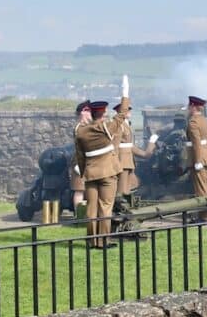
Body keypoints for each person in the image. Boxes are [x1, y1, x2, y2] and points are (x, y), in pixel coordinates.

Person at [73, 76, 131, 249]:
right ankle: (103, 241)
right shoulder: (106, 128)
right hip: (107, 173)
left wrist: (83, 171)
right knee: (105, 207)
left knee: (91, 209)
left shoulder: (81, 132)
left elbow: (80, 154)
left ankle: (92, 241)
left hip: (90, 173)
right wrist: (125, 93)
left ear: (91, 113)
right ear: (103, 112)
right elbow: (122, 114)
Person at [113, 102, 158, 198]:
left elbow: (131, 146)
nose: (130, 111)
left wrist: (151, 143)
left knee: (127, 187)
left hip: (127, 159)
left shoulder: (125, 124)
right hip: (122, 160)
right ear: (121, 112)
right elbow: (116, 144)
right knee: (122, 189)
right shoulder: (118, 125)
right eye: (127, 109)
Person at [186, 95, 207, 222]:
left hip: (198, 157)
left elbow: (196, 143)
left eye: (189, 106)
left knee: (201, 188)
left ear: (193, 106)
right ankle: (206, 215)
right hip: (206, 157)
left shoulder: (193, 122)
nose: (188, 108)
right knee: (206, 185)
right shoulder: (205, 120)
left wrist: (197, 160)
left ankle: (205, 216)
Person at [68, 100, 90, 215]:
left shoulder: (87, 126)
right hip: (80, 162)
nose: (89, 112)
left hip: (89, 162)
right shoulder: (80, 127)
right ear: (81, 113)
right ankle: (79, 215)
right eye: (86, 110)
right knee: (79, 190)